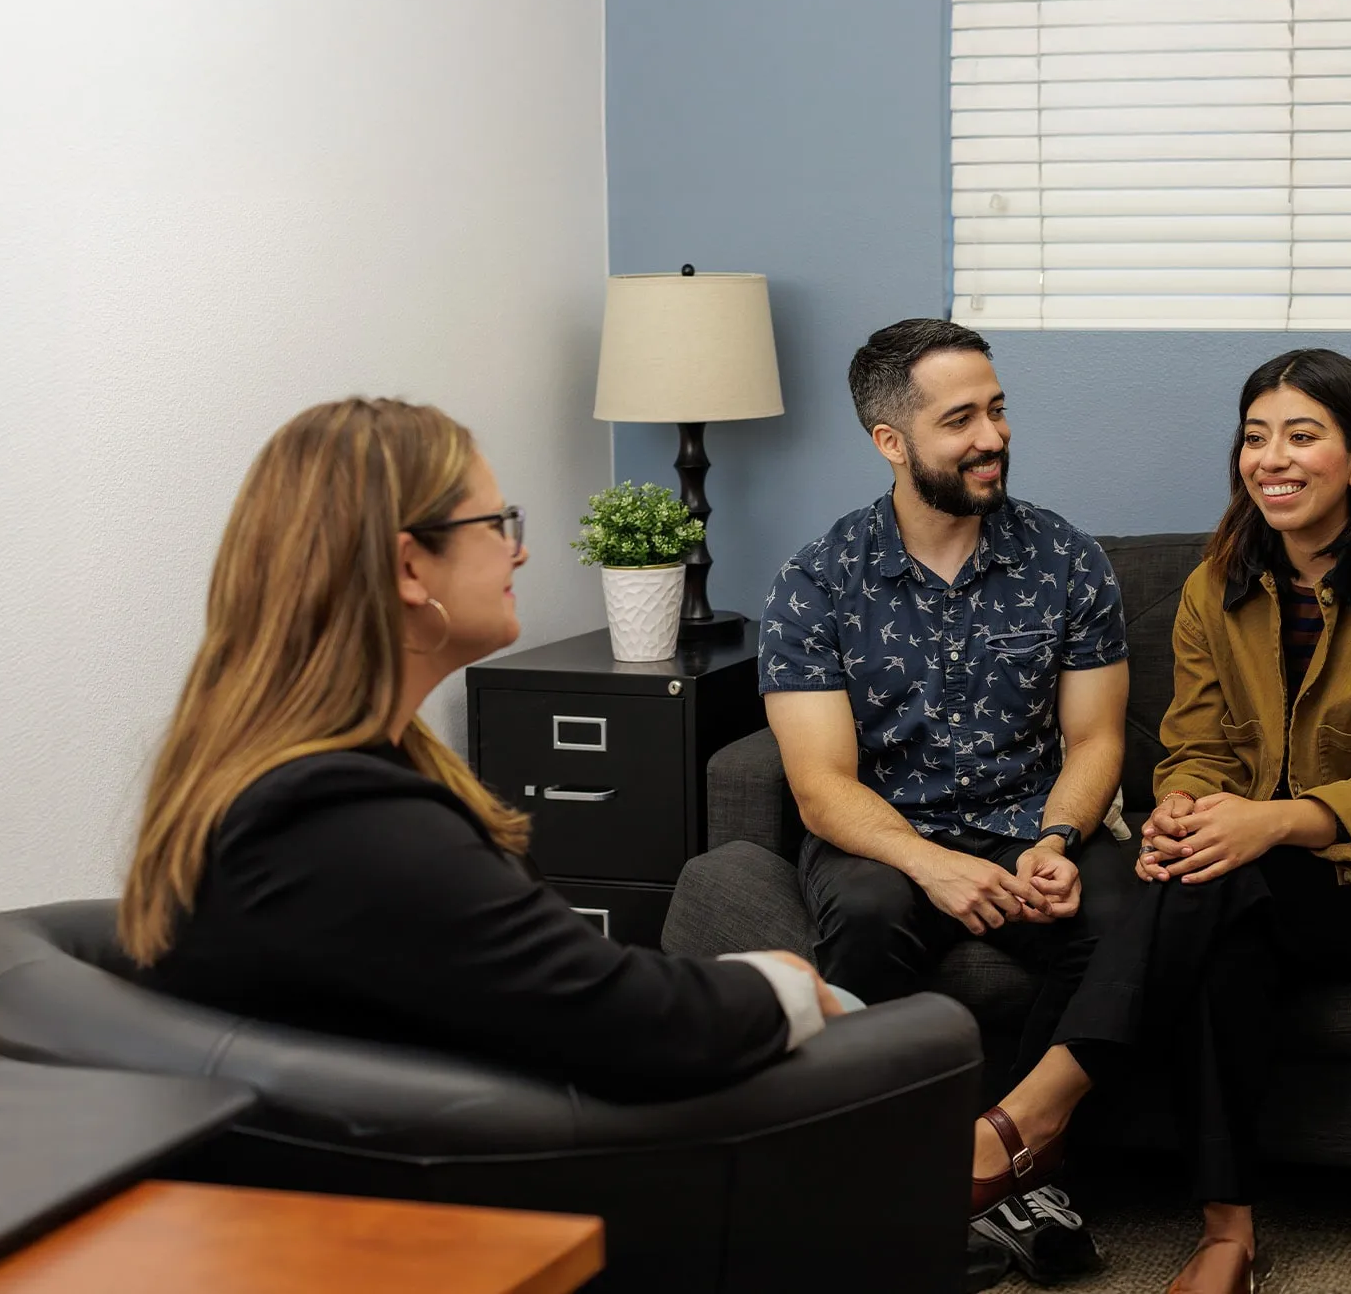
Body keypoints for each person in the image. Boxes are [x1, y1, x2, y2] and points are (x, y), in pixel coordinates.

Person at [121, 398, 842, 1101]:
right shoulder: (340, 816)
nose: (519, 549)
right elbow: (620, 1021)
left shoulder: (284, 776)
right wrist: (779, 983)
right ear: (408, 568)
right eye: (497, 523)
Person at [968, 349, 1351, 1294]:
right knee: (1214, 913)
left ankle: (1030, 1119)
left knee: (1220, 885)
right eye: (1255, 437)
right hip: (1251, 873)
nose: (1271, 458)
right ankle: (1228, 1236)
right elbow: (1197, 744)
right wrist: (1182, 808)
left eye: (1302, 435)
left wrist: (1268, 823)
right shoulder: (1218, 585)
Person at [759, 318, 1132, 1277]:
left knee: (1131, 914)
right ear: (892, 440)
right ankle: (890, 1179)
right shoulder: (816, 582)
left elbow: (1095, 740)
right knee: (874, 916)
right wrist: (932, 864)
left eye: (998, 409)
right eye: (961, 418)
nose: (993, 437)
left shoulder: (1065, 558)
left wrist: (1056, 838)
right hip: (887, 840)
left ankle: (1010, 1154)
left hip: (1028, 823)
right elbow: (820, 786)